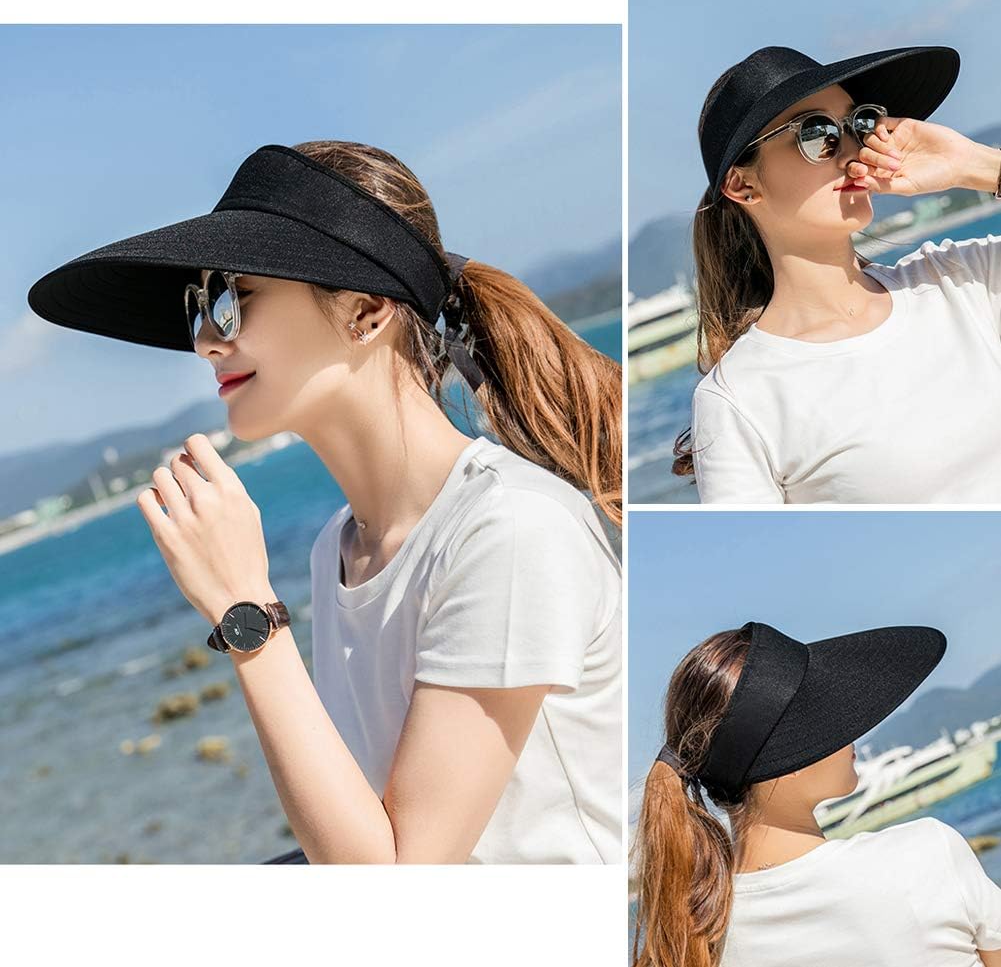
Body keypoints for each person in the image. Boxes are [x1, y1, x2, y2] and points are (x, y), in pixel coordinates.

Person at [27, 140, 622, 864]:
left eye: (230, 299)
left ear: (366, 311)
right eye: (197, 307)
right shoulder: (339, 548)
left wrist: (243, 607)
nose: (207, 342)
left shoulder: (510, 528)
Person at [674, 44, 1001, 503]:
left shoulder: (961, 283)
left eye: (860, 123)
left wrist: (978, 166)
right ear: (743, 185)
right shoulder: (741, 397)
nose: (852, 151)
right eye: (816, 133)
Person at [630, 620, 1001, 967]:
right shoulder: (925, 854)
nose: (849, 735)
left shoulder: (693, 936)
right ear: (788, 756)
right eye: (825, 722)